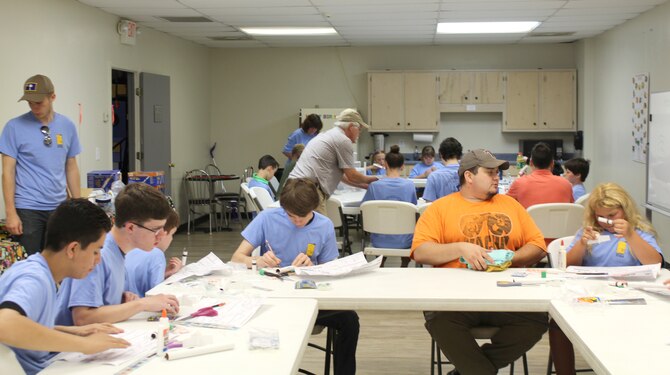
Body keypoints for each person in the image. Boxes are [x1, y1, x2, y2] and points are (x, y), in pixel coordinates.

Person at [411, 149, 548, 375]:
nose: (498, 178)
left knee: (537, 320)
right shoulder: (440, 208)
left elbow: (538, 245)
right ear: (469, 176)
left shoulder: (511, 205)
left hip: (506, 295)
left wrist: (511, 257)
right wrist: (460, 248)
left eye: (498, 173)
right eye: (491, 172)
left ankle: (469, 371)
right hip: (456, 298)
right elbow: (421, 251)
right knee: (439, 319)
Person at [231, 178, 359, 375]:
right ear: (284, 208)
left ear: (314, 208)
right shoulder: (267, 218)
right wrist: (259, 262)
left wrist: (313, 268)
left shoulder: (324, 225)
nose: (298, 222)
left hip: (309, 299)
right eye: (292, 216)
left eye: (304, 216)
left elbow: (331, 269)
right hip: (272, 298)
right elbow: (237, 258)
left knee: (349, 320)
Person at [0, 199, 129, 375]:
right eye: (95, 251)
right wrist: (84, 345)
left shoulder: (40, 271)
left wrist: (74, 332)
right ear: (73, 249)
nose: (98, 260)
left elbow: (31, 324)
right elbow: (5, 325)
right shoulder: (34, 279)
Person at [549, 182, 662, 375]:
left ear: (624, 210)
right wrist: (582, 244)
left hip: (629, 300)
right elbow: (566, 265)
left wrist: (630, 235)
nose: (605, 221)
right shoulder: (589, 232)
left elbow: (655, 263)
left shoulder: (639, 232)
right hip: (591, 297)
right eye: (600, 216)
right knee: (558, 323)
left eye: (612, 216)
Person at [55, 183, 180, 326]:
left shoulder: (118, 253)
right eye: (156, 230)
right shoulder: (98, 254)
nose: (161, 236)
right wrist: (142, 304)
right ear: (131, 227)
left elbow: (99, 302)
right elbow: (83, 318)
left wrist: (120, 301)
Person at [0, 74, 82, 255]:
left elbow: (71, 166)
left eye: (39, 103)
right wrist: (11, 212)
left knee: (59, 262)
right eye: (30, 103)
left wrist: (77, 206)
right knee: (31, 266)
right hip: (28, 209)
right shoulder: (14, 127)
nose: (34, 107)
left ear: (52, 97)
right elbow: (7, 172)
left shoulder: (67, 126)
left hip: (58, 207)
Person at [288, 108, 378, 215]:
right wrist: (374, 180)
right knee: (319, 230)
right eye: (359, 129)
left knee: (303, 229)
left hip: (294, 187)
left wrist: (362, 185)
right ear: (351, 127)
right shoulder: (343, 140)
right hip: (307, 190)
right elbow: (352, 175)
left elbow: (342, 175)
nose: (359, 133)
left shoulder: (328, 135)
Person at [361, 145, 416, 267]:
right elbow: (413, 210)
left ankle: (380, 264)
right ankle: (404, 265)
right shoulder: (409, 186)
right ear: (402, 166)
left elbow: (364, 208)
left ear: (385, 164)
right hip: (404, 240)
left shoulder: (374, 186)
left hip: (379, 240)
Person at [125, 209, 182, 297]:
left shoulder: (131, 247)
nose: (171, 239)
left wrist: (165, 273)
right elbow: (156, 294)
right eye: (171, 234)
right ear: (162, 234)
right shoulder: (157, 254)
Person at [507, 142, 573, 208]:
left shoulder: (519, 183)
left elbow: (505, 206)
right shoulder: (566, 184)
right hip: (558, 218)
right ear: (552, 163)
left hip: (529, 218)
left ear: (531, 163)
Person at [423, 137, 463, 202]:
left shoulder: (434, 177)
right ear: (460, 154)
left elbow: (428, 205)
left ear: (441, 154)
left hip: (442, 211)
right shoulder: (468, 173)